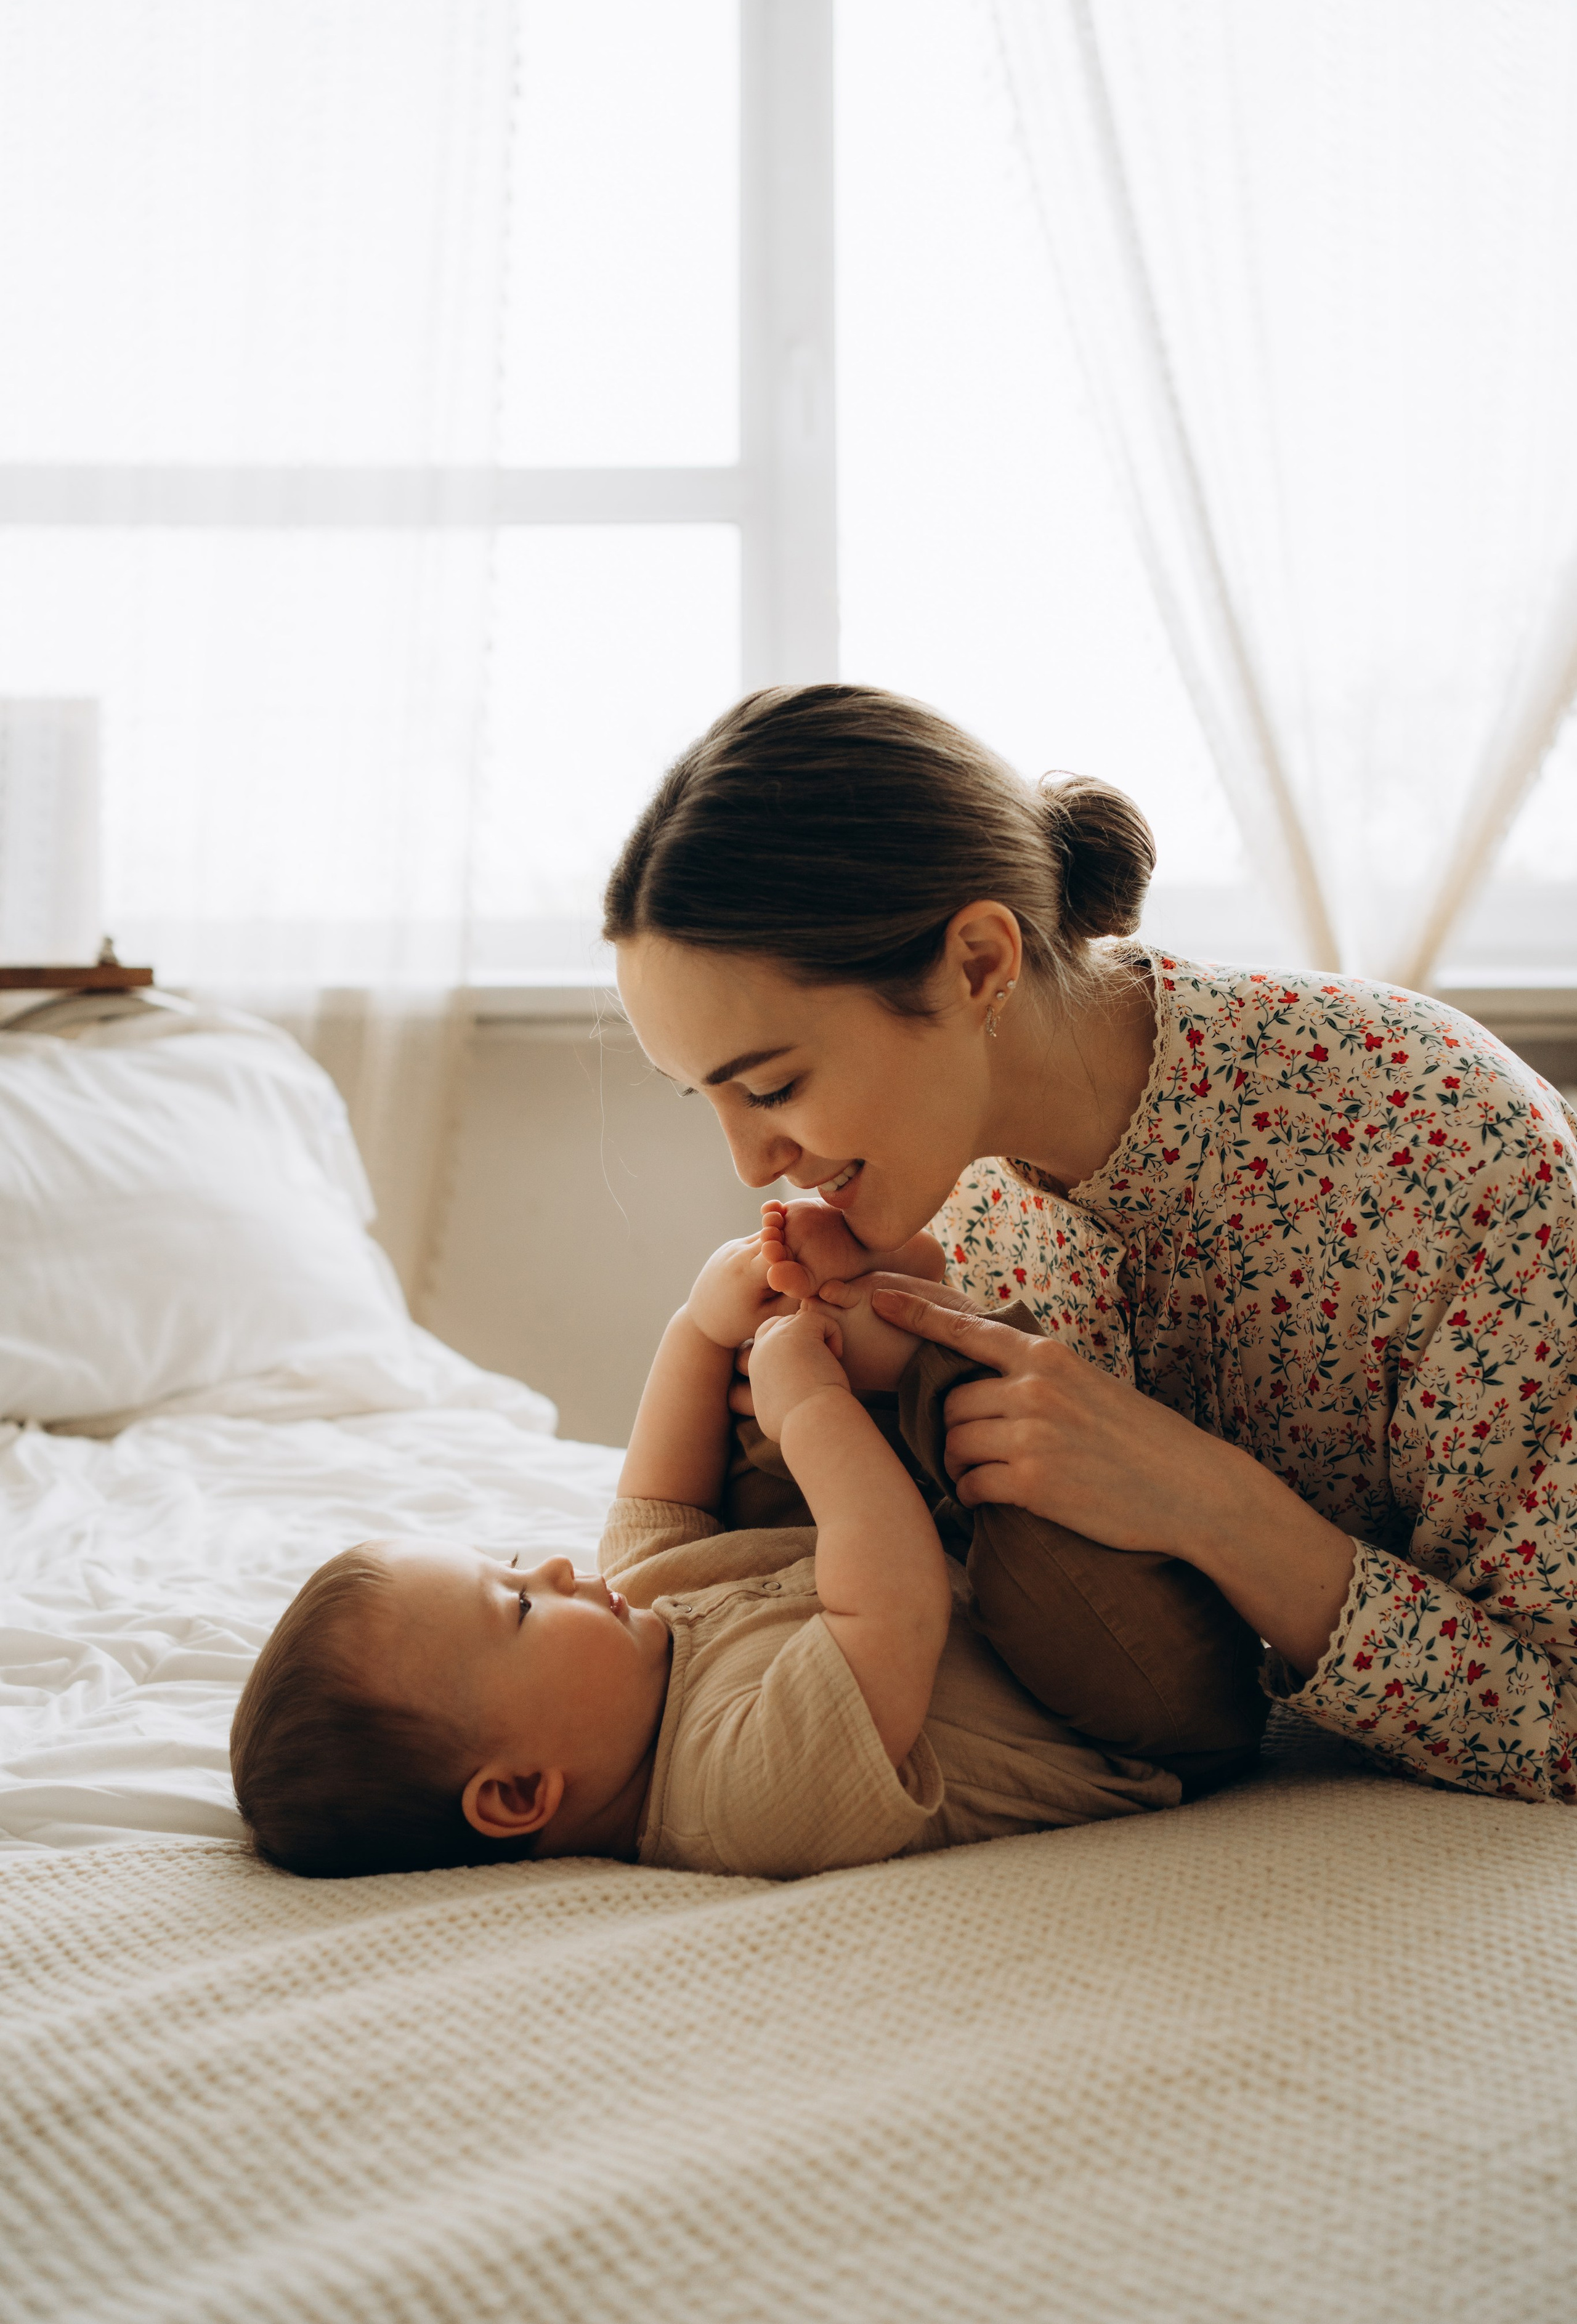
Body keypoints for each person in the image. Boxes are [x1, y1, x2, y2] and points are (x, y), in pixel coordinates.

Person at [604, 681, 1577, 1806]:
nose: (750, 1165)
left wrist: (1214, 1504)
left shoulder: (1447, 1145)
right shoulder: (940, 1204)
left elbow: (1557, 1717)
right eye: (705, 1099)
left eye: (772, 1085)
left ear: (977, 963)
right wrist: (877, 1402)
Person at [230, 1206, 1186, 1879]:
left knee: (744, 1450)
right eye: (518, 1605)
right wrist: (809, 1403)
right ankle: (914, 1335)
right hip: (1120, 1691)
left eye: (515, 1559)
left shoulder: (637, 1617)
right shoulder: (737, 1795)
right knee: (901, 1457)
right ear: (521, 1791)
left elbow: (657, 1489)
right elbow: (892, 1604)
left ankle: (841, 1305)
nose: (558, 1569)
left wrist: (709, 1321)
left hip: (944, 1564)